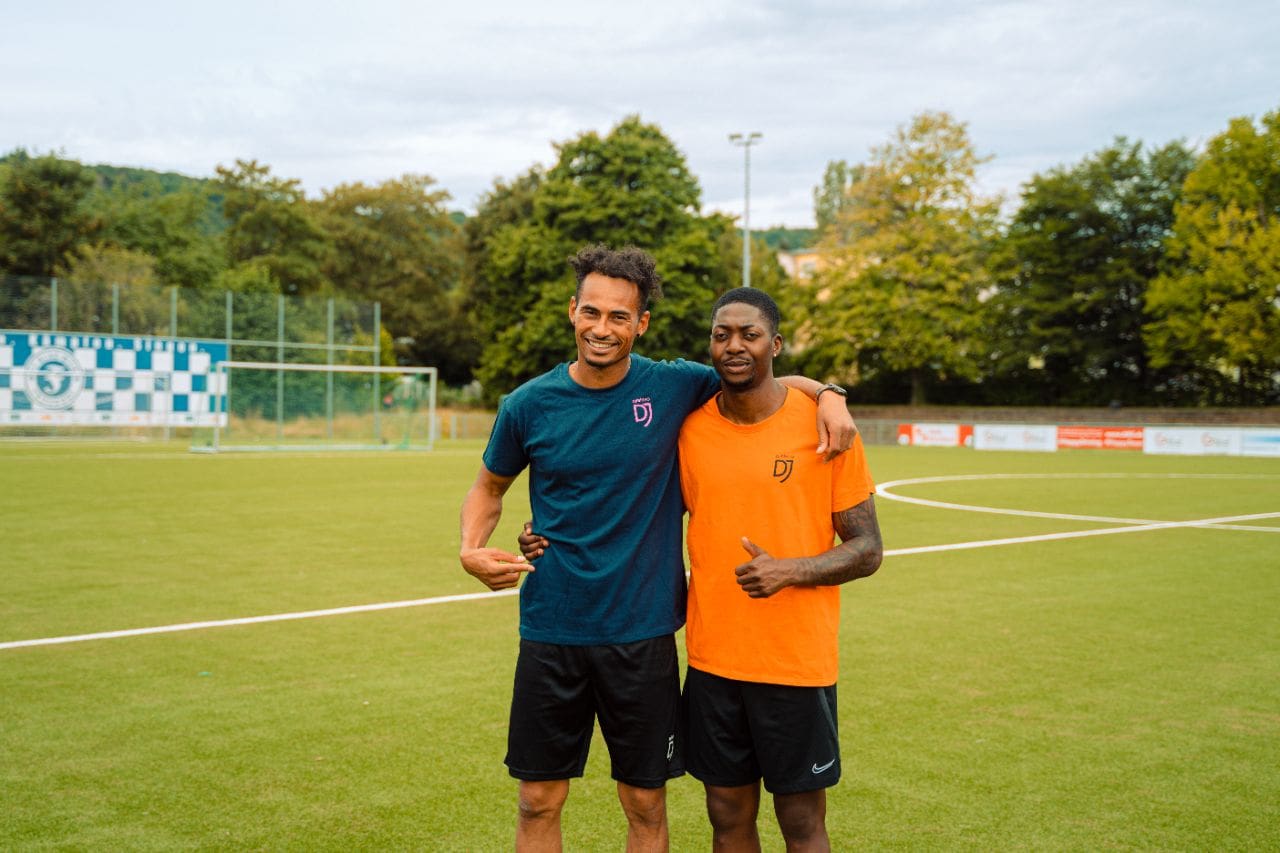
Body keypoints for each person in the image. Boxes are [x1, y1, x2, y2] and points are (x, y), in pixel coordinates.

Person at [459, 245, 857, 852]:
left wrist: (830, 392)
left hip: (642, 635)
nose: (602, 328)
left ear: (640, 323)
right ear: (572, 311)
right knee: (537, 800)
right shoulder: (527, 404)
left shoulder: (674, 385)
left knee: (645, 804)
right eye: (592, 312)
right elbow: (488, 488)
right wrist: (471, 548)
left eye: (619, 316)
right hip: (551, 628)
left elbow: (761, 376)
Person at [677, 287, 883, 852]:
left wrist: (790, 571)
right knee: (726, 817)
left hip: (794, 663)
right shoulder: (690, 430)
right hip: (713, 660)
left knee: (801, 821)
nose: (734, 346)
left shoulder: (826, 428)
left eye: (750, 334)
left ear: (776, 344)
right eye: (722, 335)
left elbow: (868, 548)